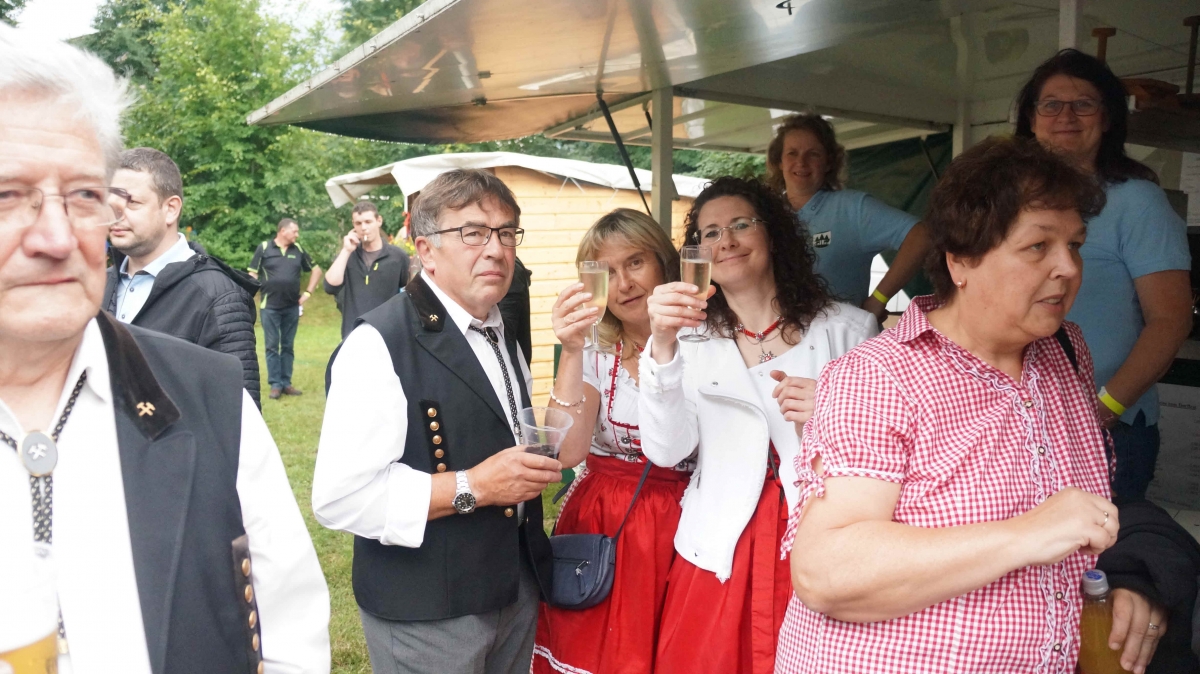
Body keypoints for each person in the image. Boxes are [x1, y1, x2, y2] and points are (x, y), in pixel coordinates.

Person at [0, 24, 330, 673]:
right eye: (8, 195)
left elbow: (292, 639)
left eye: (85, 195)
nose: (56, 237)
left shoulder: (211, 400)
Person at [776, 136, 1165, 674]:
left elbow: (1083, 519)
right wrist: (1025, 534)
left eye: (1074, 244)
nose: (1069, 267)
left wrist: (1130, 583)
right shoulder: (880, 375)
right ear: (961, 260)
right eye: (1038, 246)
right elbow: (826, 572)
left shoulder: (1065, 352)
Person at [313, 169, 560, 674]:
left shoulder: (500, 328)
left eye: (506, 232)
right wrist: (475, 486)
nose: (496, 250)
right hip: (427, 615)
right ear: (425, 250)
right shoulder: (377, 344)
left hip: (514, 589)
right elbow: (341, 498)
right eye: (473, 232)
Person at [639, 177, 878, 674]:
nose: (725, 240)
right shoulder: (687, 342)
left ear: (774, 234)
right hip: (721, 547)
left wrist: (832, 413)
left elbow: (883, 452)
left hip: (820, 540)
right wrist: (661, 345)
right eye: (710, 233)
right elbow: (666, 451)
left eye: (741, 224)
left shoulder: (849, 330)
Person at [1014, 49, 1192, 503]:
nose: (1066, 116)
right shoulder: (1008, 199)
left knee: (1102, 549)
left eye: (1083, 104)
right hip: (1018, 422)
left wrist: (1103, 410)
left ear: (1107, 118)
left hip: (1107, 428)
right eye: (1051, 104)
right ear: (1031, 119)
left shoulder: (1138, 202)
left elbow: (1170, 320)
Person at [532, 209, 691, 674]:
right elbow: (566, 452)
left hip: (692, 515)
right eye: (607, 272)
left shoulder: (706, 338)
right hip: (608, 517)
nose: (624, 284)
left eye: (636, 262)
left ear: (664, 262)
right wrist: (572, 349)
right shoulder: (597, 349)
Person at [103, 147, 263, 406]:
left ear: (171, 209)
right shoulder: (96, 285)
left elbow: (238, 414)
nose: (116, 216)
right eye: (112, 205)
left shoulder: (219, 296)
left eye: (132, 203)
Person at [766, 114, 933, 323]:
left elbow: (921, 235)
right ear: (779, 162)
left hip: (844, 339)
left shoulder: (852, 208)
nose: (801, 162)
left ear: (829, 162)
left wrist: (879, 299)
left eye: (813, 154)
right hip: (782, 337)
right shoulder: (766, 214)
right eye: (792, 153)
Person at [248, 218, 322, 399]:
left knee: (288, 346)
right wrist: (251, 293)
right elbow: (252, 273)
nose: (297, 235)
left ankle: (286, 383)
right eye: (294, 231)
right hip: (269, 307)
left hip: (291, 307)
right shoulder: (264, 248)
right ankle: (275, 384)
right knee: (272, 346)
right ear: (282, 231)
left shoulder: (298, 250)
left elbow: (316, 270)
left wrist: (308, 293)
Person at [323, 200, 410, 339]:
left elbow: (407, 292)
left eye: (368, 222)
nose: (363, 227)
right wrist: (346, 250)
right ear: (353, 225)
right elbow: (330, 287)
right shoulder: (347, 256)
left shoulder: (398, 257)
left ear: (379, 221)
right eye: (358, 223)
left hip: (387, 334)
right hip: (353, 333)